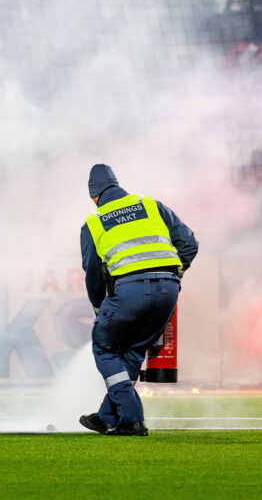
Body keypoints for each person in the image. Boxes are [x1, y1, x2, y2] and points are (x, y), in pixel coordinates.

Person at [78, 164, 198, 436]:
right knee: (132, 351)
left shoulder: (93, 223)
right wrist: (174, 274)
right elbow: (189, 244)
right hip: (168, 289)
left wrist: (99, 309)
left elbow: (93, 274)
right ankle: (107, 416)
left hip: (129, 290)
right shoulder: (151, 205)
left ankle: (132, 417)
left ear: (94, 197)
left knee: (104, 346)